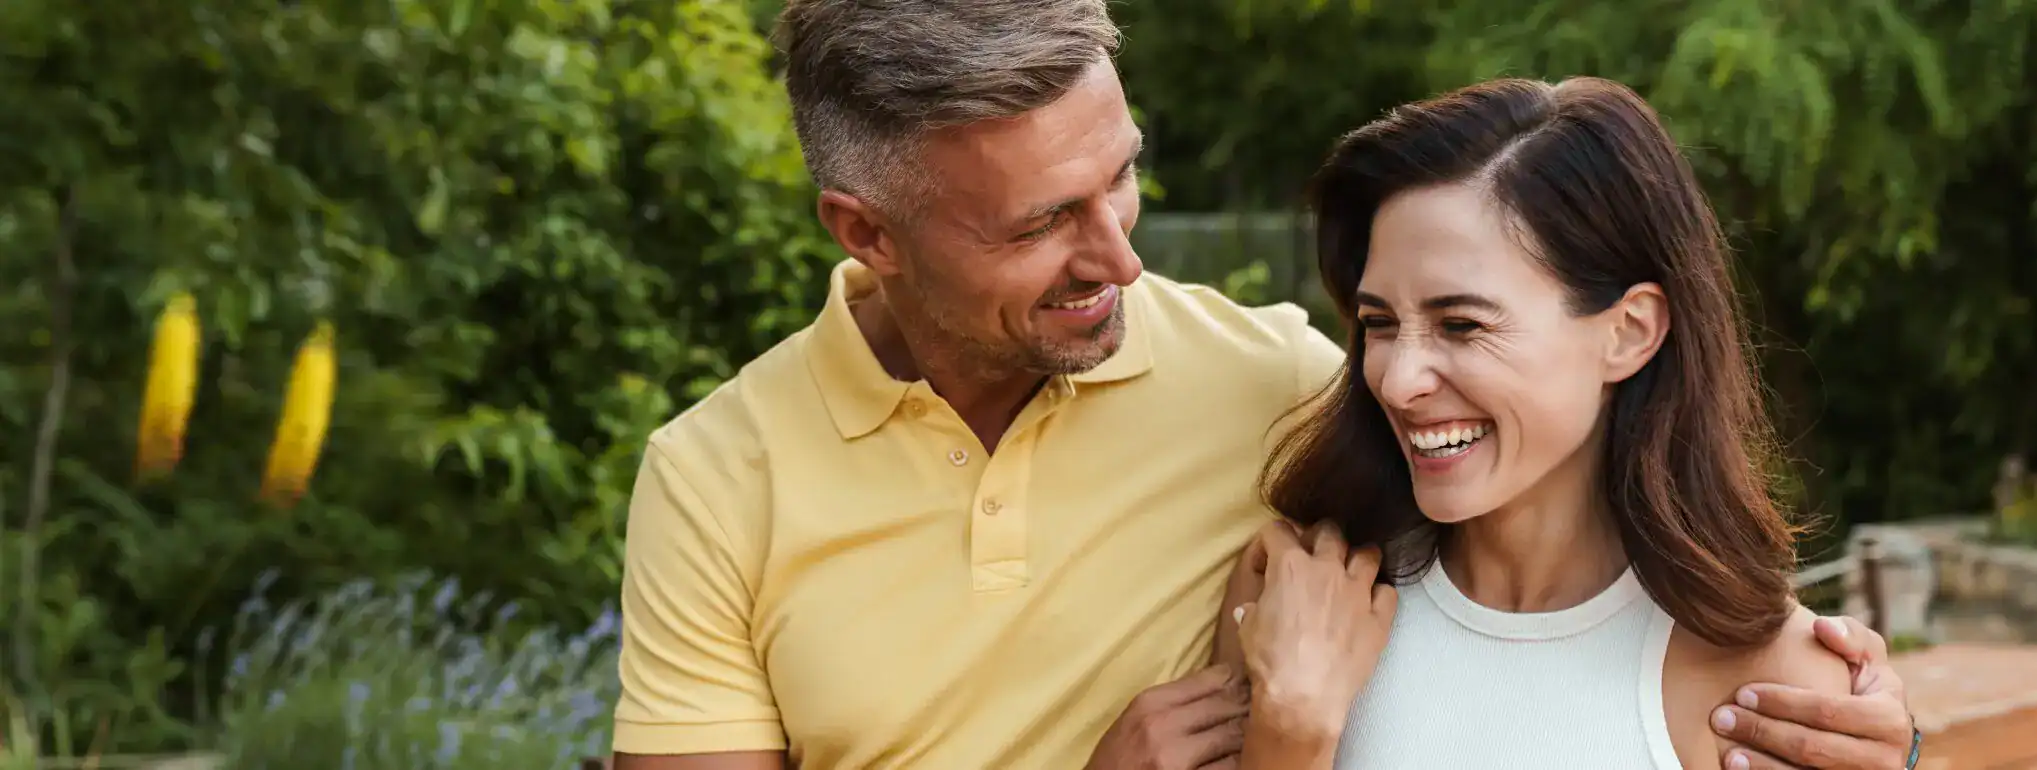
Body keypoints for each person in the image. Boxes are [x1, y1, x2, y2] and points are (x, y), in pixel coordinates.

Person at [608, 2, 1920, 768]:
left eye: (1121, 175)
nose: (1121, 258)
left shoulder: (1287, 394)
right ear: (868, 232)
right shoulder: (718, 478)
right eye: (1041, 222)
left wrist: (1888, 736)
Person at [1219, 77, 1923, 770]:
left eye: (1461, 324)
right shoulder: (1295, 602)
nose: (1399, 381)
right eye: (1379, 323)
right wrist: (1290, 731)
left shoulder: (1773, 684)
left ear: (1628, 332)